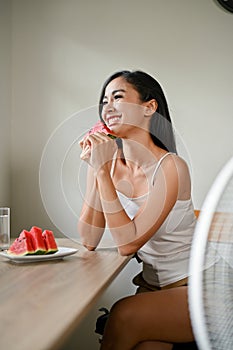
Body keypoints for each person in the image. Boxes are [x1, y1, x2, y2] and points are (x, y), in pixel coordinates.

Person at [78, 70, 197, 349]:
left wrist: (102, 172)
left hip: (195, 289)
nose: (108, 107)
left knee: (122, 315)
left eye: (118, 97)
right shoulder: (106, 163)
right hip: (152, 291)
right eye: (104, 100)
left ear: (149, 107)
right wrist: (100, 170)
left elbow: (128, 243)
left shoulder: (171, 167)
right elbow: (89, 239)